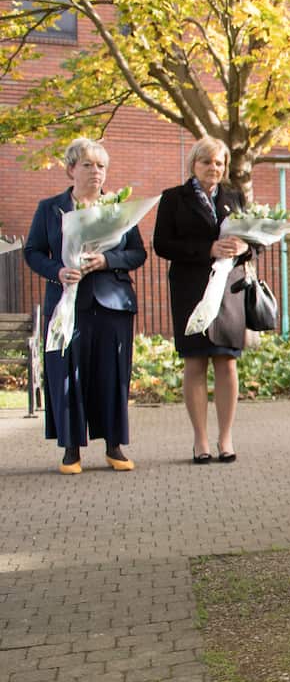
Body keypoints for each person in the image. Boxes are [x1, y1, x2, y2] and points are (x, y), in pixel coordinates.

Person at [24, 137, 147, 475]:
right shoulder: (50, 208)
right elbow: (32, 251)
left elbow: (138, 252)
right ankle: (71, 450)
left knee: (112, 374)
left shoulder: (119, 208)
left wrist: (107, 260)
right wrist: (58, 271)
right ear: (71, 169)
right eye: (88, 165)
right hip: (67, 302)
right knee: (68, 373)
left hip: (112, 303)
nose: (96, 172)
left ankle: (114, 446)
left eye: (102, 166)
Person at [153, 136, 255, 464]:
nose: (213, 168)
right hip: (190, 290)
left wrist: (244, 249)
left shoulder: (235, 197)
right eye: (206, 162)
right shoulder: (173, 199)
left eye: (219, 163)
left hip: (229, 290)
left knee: (226, 361)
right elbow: (162, 245)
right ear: (193, 163)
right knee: (195, 362)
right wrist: (207, 249)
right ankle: (201, 441)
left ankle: (226, 439)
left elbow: (256, 240)